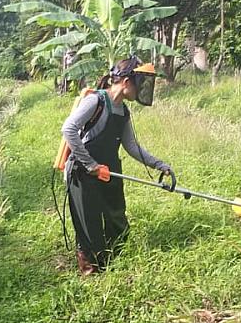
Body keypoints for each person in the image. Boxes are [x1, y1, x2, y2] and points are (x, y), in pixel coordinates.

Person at [61, 56, 175, 275]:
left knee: (117, 221)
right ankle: (92, 273)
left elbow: (132, 147)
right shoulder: (96, 101)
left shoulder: (123, 111)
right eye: (140, 83)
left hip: (109, 170)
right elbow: (69, 130)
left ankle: (114, 267)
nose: (142, 89)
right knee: (90, 226)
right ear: (126, 82)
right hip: (83, 172)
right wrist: (91, 165)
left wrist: (159, 165)